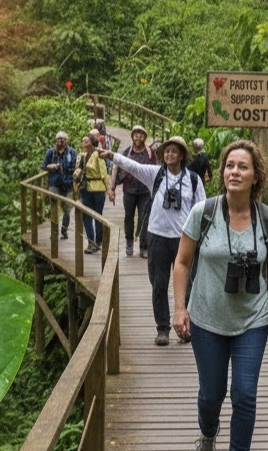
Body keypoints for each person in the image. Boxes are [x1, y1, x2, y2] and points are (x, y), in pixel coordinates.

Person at [172, 140, 268, 451]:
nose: (235, 172)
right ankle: (207, 434)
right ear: (222, 173)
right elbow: (182, 262)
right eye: (230, 166)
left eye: (243, 167)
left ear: (256, 176)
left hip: (251, 320)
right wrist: (180, 307)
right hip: (207, 318)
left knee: (245, 394)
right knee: (211, 394)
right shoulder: (203, 212)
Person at [99, 135, 205, 344]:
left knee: (188, 284)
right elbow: (133, 166)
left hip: (184, 239)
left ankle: (186, 326)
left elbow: (201, 208)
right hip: (157, 236)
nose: (169, 154)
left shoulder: (193, 179)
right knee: (159, 284)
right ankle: (163, 328)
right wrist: (113, 156)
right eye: (166, 151)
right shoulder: (155, 174)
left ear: (181, 155)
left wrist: (201, 236)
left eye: (174, 151)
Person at [107, 124, 158, 257]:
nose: (138, 137)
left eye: (140, 134)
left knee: (144, 218)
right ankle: (129, 241)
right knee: (128, 217)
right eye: (135, 134)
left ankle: (143, 246)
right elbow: (118, 170)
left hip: (145, 191)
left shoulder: (151, 153)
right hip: (129, 190)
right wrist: (112, 189)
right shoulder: (126, 152)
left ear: (145, 137)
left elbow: (155, 172)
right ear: (132, 137)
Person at [75, 134, 109, 253]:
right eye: (83, 140)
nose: (84, 142)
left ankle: (99, 240)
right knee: (86, 216)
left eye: (87, 140)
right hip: (86, 189)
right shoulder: (83, 156)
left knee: (98, 215)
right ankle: (91, 242)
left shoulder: (98, 154)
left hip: (98, 189)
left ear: (92, 142)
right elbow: (78, 170)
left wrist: (109, 190)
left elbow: (104, 173)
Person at [42, 131, 77, 239]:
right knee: (54, 208)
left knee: (67, 209)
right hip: (54, 183)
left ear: (67, 141)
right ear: (56, 141)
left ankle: (64, 230)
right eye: (59, 139)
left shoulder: (72, 152)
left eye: (63, 139)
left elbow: (75, 167)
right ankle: (54, 232)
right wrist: (50, 166)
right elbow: (44, 166)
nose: (61, 141)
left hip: (68, 183)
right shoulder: (51, 153)